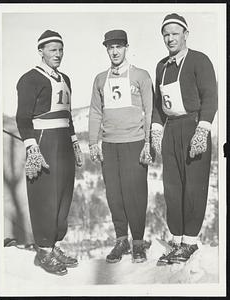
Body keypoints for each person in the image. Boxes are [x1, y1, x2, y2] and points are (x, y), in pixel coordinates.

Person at [151, 14, 217, 265]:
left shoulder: (199, 60)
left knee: (193, 187)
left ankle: (190, 242)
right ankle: (177, 240)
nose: (170, 38)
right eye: (166, 34)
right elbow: (158, 104)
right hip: (172, 129)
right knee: (172, 188)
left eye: (175, 33)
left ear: (185, 34)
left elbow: (210, 96)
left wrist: (203, 129)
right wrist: (157, 129)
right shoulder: (162, 66)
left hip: (193, 126)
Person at [16, 30, 83, 275]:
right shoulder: (30, 79)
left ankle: (53, 245)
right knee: (45, 196)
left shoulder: (65, 78)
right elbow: (22, 118)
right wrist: (31, 147)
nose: (58, 54)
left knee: (64, 194)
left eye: (60, 49)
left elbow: (68, 115)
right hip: (43, 142)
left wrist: (74, 142)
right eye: (52, 50)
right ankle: (43, 250)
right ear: (41, 51)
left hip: (63, 140)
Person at [88, 29, 153, 263]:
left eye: (119, 46)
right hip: (110, 145)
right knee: (114, 194)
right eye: (110, 47)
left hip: (134, 143)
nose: (114, 51)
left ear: (126, 47)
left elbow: (150, 111)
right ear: (106, 49)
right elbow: (95, 112)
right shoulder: (100, 79)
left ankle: (138, 242)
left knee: (135, 194)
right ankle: (121, 240)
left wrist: (149, 142)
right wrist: (93, 141)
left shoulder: (141, 76)